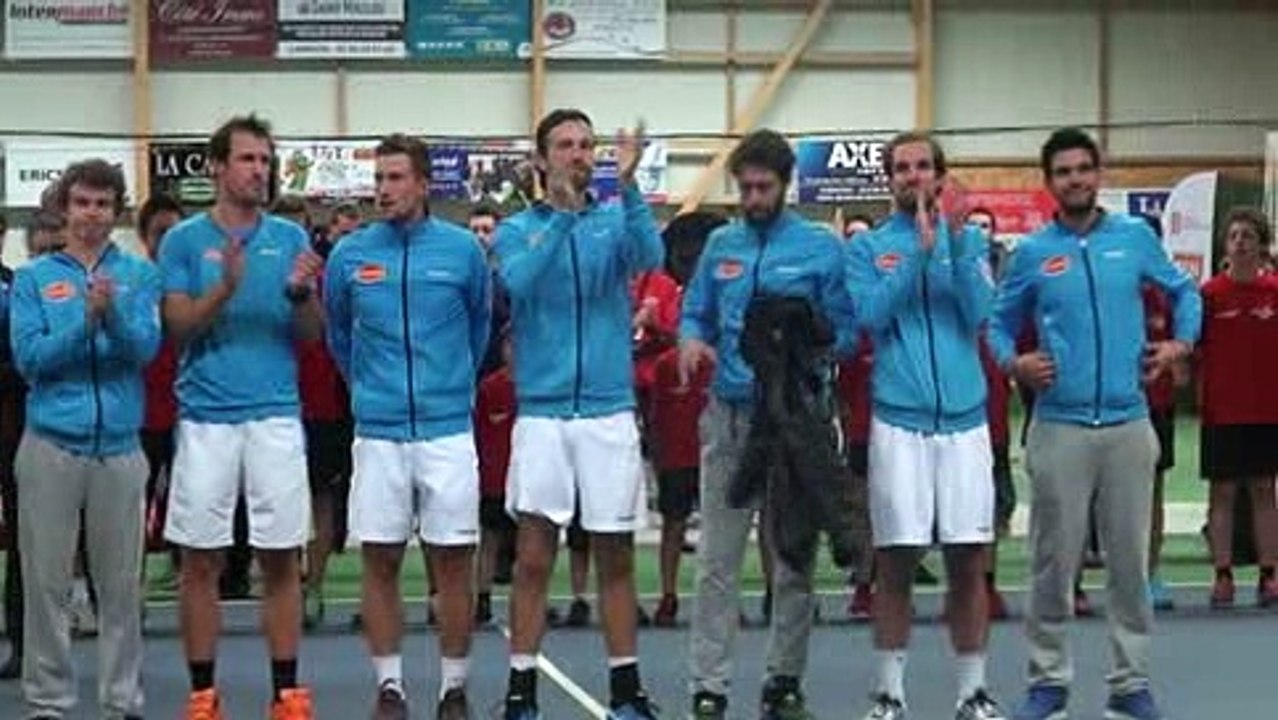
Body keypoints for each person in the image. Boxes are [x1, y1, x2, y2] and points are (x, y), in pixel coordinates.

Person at [991, 128, 1201, 720]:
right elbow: (998, 324)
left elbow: (1185, 292)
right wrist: (1016, 363)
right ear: (1049, 182)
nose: (1076, 179)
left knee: (1130, 564)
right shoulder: (1032, 253)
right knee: (1051, 563)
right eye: (1064, 172)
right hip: (1058, 428)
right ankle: (1048, 682)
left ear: (1098, 173)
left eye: (1084, 169)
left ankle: (1130, 684)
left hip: (1129, 424)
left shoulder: (1134, 239)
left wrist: (1178, 346)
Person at [678, 128, 855, 720]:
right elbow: (696, 311)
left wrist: (810, 338)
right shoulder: (720, 244)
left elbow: (849, 330)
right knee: (716, 563)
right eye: (745, 187)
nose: (753, 197)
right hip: (729, 417)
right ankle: (710, 685)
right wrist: (690, 342)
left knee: (792, 558)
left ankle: (784, 679)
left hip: (795, 423)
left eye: (763, 187)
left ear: (786, 185)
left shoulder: (822, 250)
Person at [493, 108, 663, 720]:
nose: (578, 154)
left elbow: (652, 252)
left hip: (607, 413)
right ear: (540, 160)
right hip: (542, 414)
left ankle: (626, 691)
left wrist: (633, 184)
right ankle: (521, 692)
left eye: (587, 144)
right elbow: (521, 282)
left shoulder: (614, 220)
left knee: (615, 553)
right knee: (534, 555)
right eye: (565, 145)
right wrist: (563, 218)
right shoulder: (517, 230)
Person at [159, 114, 324, 720]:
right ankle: (203, 694)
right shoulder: (183, 242)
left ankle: (287, 693)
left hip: (275, 416)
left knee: (281, 555)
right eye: (248, 159)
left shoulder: (289, 239)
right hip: (205, 417)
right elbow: (177, 328)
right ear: (217, 167)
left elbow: (311, 336)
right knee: (200, 560)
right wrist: (224, 289)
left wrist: (303, 295)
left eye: (265, 160)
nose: (259, 170)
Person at [324, 133, 492, 719]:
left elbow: (479, 329)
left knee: (452, 561)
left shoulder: (463, 251)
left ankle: (453, 688)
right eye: (379, 179)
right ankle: (390, 687)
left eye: (396, 178)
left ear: (423, 184)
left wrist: (449, 386)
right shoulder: (348, 255)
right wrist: (372, 391)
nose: (384, 190)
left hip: (447, 430)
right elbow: (339, 337)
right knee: (381, 559)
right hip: (379, 432)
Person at [844, 132, 1003, 720]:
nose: (912, 176)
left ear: (940, 175)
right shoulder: (868, 249)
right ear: (888, 179)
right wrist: (916, 253)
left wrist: (955, 245)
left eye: (923, 166)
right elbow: (870, 317)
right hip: (900, 424)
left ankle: (973, 693)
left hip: (964, 423)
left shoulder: (970, 241)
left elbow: (980, 313)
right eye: (901, 168)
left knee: (968, 560)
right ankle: (889, 695)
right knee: (898, 561)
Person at [10, 159, 161, 720]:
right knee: (46, 580)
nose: (91, 215)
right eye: (82, 204)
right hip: (51, 444)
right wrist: (85, 323)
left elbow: (145, 349)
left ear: (116, 211)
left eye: (102, 205)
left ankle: (121, 700)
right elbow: (31, 360)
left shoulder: (141, 276)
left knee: (120, 585)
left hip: (120, 447)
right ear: (64, 209)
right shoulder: (32, 280)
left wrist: (113, 315)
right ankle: (48, 700)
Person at [1197, 207, 1278, 608]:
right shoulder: (1209, 295)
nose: (1241, 242)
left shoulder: (1275, 293)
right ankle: (1223, 575)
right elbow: (1191, 350)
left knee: (1265, 490)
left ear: (1262, 245)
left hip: (1268, 410)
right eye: (1234, 236)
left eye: (1249, 235)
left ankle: (1269, 575)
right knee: (1223, 494)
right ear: (1225, 245)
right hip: (1222, 411)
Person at [137, 195, 185, 585]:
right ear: (144, 238)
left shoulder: (199, 286)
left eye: (175, 232)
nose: (168, 241)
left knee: (191, 504)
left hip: (190, 412)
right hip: (140, 414)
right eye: (160, 233)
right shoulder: (131, 282)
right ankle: (128, 587)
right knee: (133, 507)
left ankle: (192, 577)